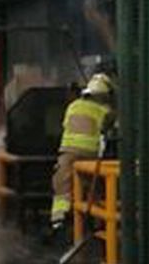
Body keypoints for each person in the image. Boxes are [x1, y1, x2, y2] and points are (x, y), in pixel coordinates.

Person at [50, 73, 116, 233]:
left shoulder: (73, 106)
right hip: (91, 155)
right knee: (94, 188)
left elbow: (66, 124)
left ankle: (58, 220)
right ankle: (98, 224)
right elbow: (110, 131)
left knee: (62, 185)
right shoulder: (105, 111)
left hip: (67, 153)